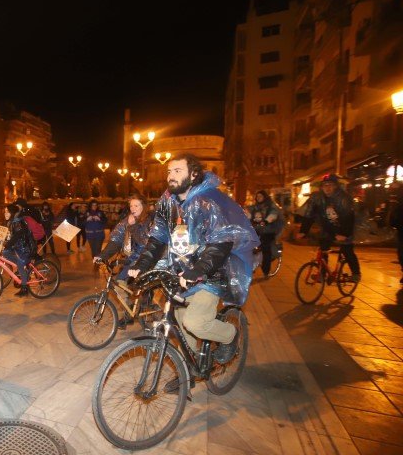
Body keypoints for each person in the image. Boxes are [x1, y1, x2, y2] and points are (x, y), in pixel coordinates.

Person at [127, 153, 259, 365]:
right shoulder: (167, 201)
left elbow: (221, 243)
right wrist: (141, 265)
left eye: (177, 171)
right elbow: (158, 237)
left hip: (212, 272)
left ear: (193, 174)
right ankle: (188, 368)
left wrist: (199, 270)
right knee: (177, 319)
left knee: (194, 322)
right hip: (181, 271)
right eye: (169, 171)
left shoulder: (209, 200)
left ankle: (231, 336)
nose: (171, 176)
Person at [94, 195, 152, 328]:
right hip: (132, 260)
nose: (133, 208)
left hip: (147, 260)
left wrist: (133, 227)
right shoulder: (128, 221)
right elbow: (116, 238)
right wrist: (103, 255)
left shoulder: (150, 221)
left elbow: (145, 243)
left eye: (136, 205)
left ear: (143, 206)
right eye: (131, 206)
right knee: (119, 284)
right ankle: (129, 312)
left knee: (145, 290)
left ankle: (146, 313)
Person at [296, 173, 361, 282]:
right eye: (325, 185)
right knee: (323, 249)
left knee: (347, 250)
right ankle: (322, 274)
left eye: (330, 185)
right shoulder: (318, 198)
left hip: (344, 228)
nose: (327, 188)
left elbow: (349, 217)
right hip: (328, 228)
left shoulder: (343, 198)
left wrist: (344, 234)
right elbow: (309, 215)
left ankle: (356, 273)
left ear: (336, 186)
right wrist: (303, 231)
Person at [2, 203, 37, 297]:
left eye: (7, 212)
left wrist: (7, 244)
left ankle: (24, 288)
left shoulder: (18, 222)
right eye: (4, 212)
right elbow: (10, 236)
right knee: (5, 253)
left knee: (21, 264)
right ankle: (20, 268)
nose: (5, 214)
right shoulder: (11, 222)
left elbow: (17, 236)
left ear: (12, 213)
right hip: (18, 248)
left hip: (26, 249)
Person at [247, 190, 283, 278]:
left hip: (268, 231)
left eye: (260, 196)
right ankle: (251, 265)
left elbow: (273, 214)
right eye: (257, 196)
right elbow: (249, 214)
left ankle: (266, 271)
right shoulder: (255, 207)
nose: (258, 198)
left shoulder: (270, 205)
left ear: (265, 197)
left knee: (266, 250)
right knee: (248, 245)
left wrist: (266, 221)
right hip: (257, 229)